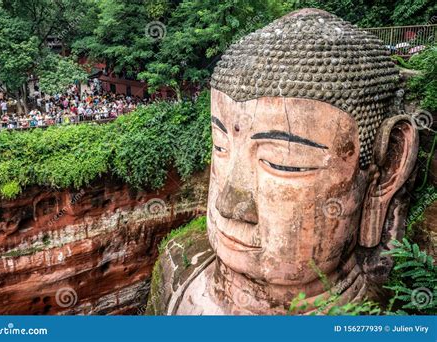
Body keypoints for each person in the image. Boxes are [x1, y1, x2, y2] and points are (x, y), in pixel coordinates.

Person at [146, 8, 419, 315]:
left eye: (283, 164)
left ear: (387, 171)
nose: (228, 205)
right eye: (220, 147)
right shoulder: (178, 272)